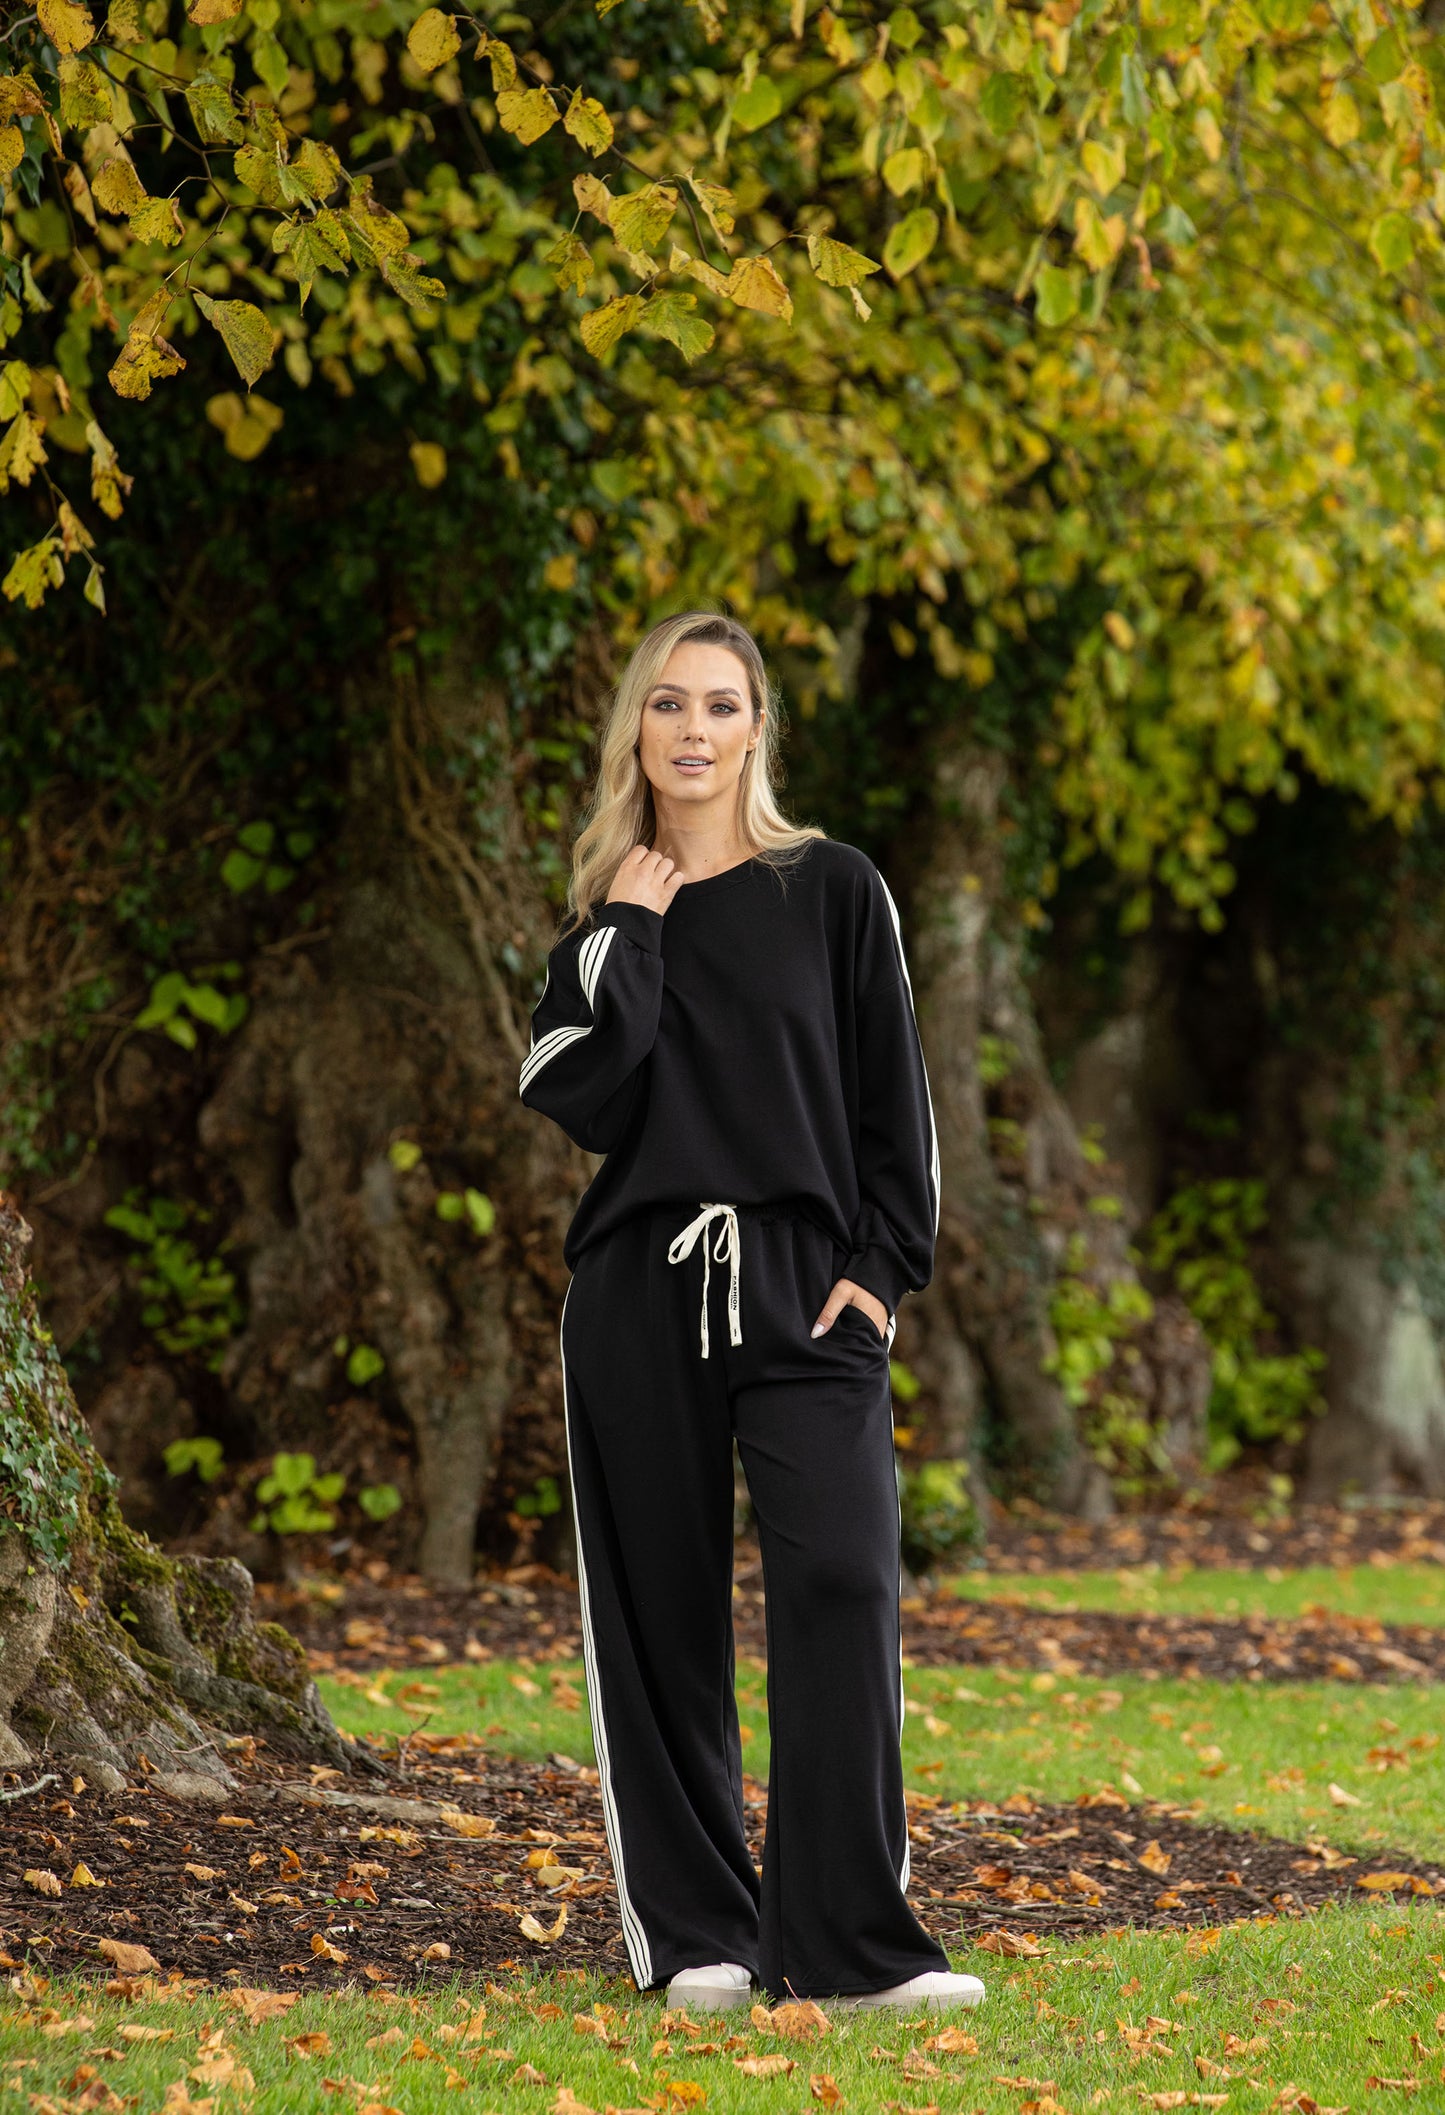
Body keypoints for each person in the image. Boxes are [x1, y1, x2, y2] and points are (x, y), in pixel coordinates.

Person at [517, 608, 983, 2014]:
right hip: (638, 1294)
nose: (695, 731)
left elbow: (894, 1098)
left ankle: (851, 1948)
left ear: (756, 729)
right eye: (667, 706)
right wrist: (635, 933)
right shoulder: (604, 925)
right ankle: (702, 1941)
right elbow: (576, 1096)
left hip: (801, 1284)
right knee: (659, 1621)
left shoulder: (832, 888)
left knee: (841, 1577)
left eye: (721, 705)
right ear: (636, 734)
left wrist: (882, 1269)